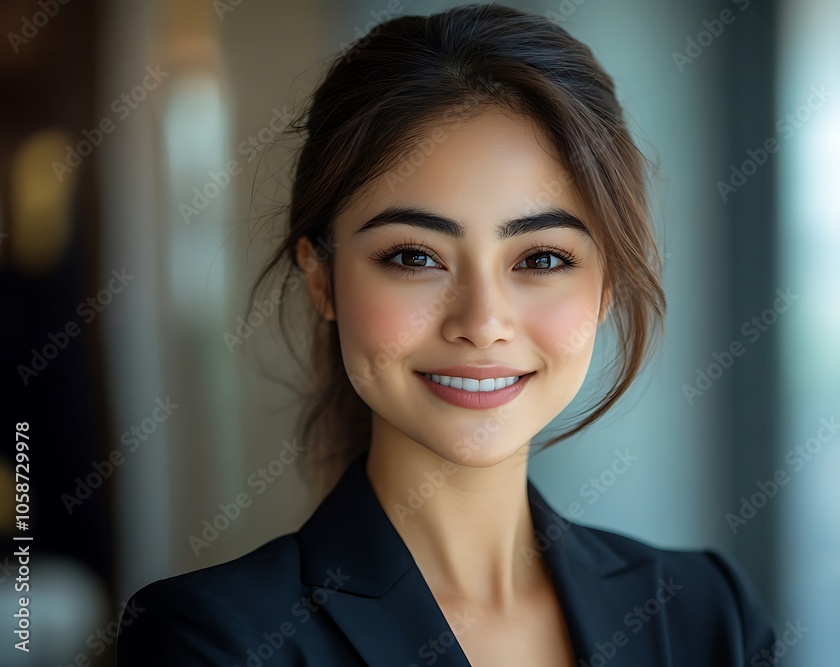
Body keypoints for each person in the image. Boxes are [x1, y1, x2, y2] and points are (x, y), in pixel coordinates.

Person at [117, 4, 776, 665]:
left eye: (542, 258)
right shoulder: (213, 641)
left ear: (607, 286)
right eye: (414, 257)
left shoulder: (706, 613)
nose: (482, 322)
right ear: (321, 279)